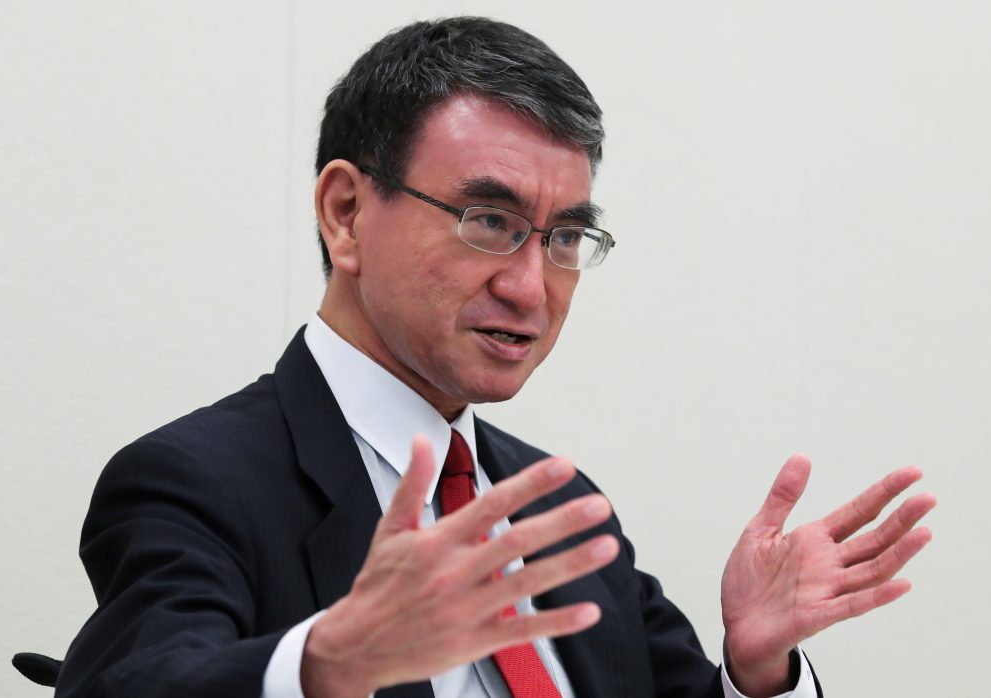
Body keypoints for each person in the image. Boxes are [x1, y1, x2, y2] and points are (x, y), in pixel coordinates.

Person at [52, 16, 935, 698]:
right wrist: (327, 661)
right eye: (490, 222)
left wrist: (756, 671)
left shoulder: (568, 513)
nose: (530, 287)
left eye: (565, 238)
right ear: (347, 214)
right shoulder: (192, 480)